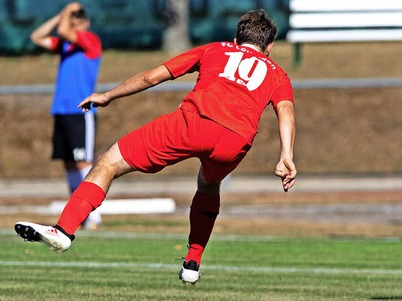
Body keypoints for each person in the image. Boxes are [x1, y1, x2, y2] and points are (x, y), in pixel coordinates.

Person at [15, 9, 297, 285]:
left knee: (108, 163)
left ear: (236, 40)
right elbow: (285, 110)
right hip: (235, 140)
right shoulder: (278, 74)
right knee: (209, 185)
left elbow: (153, 77)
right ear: (269, 47)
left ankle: (64, 229)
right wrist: (286, 155)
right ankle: (192, 263)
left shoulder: (216, 49)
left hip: (192, 124)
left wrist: (109, 95)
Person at [29, 2, 103, 230]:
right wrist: (62, 14)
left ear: (86, 22)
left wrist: (69, 12)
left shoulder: (90, 40)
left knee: (84, 162)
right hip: (62, 111)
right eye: (73, 20)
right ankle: (77, 215)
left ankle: (94, 216)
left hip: (81, 111)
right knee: (69, 164)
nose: (76, 23)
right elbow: (37, 36)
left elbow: (63, 31)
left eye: (79, 19)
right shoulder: (66, 46)